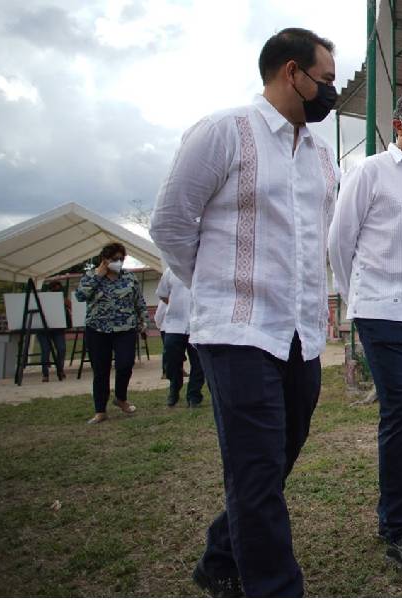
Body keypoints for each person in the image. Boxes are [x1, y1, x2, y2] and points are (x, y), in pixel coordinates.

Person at [150, 28, 339, 597]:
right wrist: (215, 287)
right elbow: (171, 223)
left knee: (278, 456)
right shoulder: (223, 132)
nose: (330, 92)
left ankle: (219, 557)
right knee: (256, 470)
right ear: (291, 73)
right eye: (326, 80)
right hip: (237, 329)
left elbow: (317, 240)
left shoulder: (320, 156)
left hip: (300, 333)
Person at [329, 87, 402, 576]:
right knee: (399, 406)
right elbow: (340, 240)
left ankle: (391, 514)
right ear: (400, 127)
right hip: (379, 307)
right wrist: (354, 296)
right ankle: (401, 524)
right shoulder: (370, 171)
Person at [75, 242, 147, 424]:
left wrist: (143, 320)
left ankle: (120, 398)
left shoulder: (129, 278)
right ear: (105, 260)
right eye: (115, 259)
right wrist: (98, 276)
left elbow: (139, 301)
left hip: (125, 329)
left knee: (125, 364)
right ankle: (100, 410)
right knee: (101, 370)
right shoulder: (91, 277)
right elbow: (80, 296)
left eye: (122, 259)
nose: (119, 262)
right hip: (97, 330)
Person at [156, 267, 204, 407]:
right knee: (171, 360)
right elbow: (162, 293)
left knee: (199, 363)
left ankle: (194, 396)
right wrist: (176, 306)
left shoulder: (204, 267)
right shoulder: (171, 270)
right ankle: (174, 388)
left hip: (198, 324)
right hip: (175, 325)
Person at [36, 280, 70, 382]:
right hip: (43, 329)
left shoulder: (62, 299)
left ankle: (60, 370)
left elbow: (72, 307)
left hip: (58, 328)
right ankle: (45, 374)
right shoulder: (43, 299)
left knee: (61, 349)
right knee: (45, 351)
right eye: (54, 289)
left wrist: (65, 302)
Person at [154, 298, 168, 378]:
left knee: (179, 351)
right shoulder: (165, 299)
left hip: (180, 328)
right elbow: (159, 314)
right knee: (167, 350)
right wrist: (159, 325)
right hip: (166, 328)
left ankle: (180, 369)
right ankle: (165, 371)